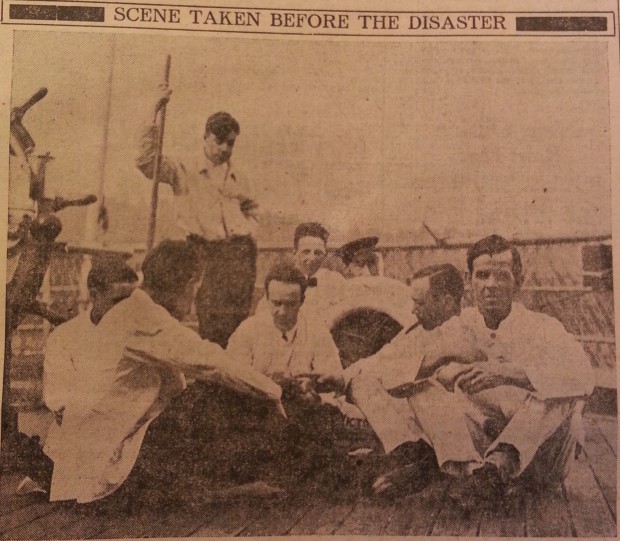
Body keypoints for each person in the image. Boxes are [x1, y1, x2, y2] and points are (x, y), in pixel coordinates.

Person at [47, 240, 282, 506]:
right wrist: (273, 392)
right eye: (196, 288)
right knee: (209, 391)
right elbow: (210, 361)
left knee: (203, 392)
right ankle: (218, 487)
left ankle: (211, 486)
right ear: (188, 283)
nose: (195, 298)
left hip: (89, 464)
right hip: (101, 470)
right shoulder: (142, 315)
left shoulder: (131, 311)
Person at [389, 235, 595, 510]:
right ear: (469, 280)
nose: (491, 286)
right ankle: (471, 473)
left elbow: (584, 377)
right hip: (480, 455)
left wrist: (509, 373)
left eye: (502, 276)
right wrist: (439, 361)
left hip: (543, 461)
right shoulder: (458, 326)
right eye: (483, 275)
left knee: (556, 391)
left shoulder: (543, 327)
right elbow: (393, 373)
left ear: (518, 281)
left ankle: (501, 464)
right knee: (421, 386)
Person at [136, 87, 258, 347]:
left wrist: (246, 231)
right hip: (204, 252)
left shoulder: (238, 175)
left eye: (231, 143)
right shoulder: (183, 168)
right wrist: (153, 111)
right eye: (219, 140)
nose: (225, 148)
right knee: (212, 324)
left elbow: (252, 207)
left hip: (237, 254)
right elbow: (146, 162)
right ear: (205, 137)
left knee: (239, 324)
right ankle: (213, 379)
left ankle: (233, 379)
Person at [227, 263, 358, 498]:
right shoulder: (248, 330)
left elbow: (331, 379)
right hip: (260, 412)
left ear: (303, 301)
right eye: (276, 303)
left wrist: (314, 389)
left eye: (290, 304)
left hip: (302, 411)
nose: (282, 312)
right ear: (266, 298)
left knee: (325, 424)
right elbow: (233, 379)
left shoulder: (317, 331)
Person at [19, 259, 139, 494]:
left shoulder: (140, 335)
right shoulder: (65, 337)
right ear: (95, 294)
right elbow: (60, 404)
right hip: (82, 440)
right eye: (118, 301)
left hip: (131, 437)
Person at [344, 264, 465, 497]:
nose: (413, 310)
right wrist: (339, 378)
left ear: (447, 302)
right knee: (361, 382)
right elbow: (380, 360)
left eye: (420, 303)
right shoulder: (419, 329)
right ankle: (409, 452)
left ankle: (425, 463)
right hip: (420, 423)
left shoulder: (463, 332)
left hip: (456, 426)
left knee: (418, 388)